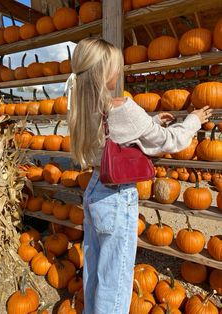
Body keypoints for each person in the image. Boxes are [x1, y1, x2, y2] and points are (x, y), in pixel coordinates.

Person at [67, 37, 212, 314]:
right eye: (115, 68)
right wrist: (193, 120)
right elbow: (170, 141)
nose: (118, 72)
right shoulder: (124, 107)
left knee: (96, 271)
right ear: (104, 72)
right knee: (117, 282)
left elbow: (114, 138)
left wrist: (152, 122)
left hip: (95, 190)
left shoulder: (81, 105)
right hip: (117, 197)